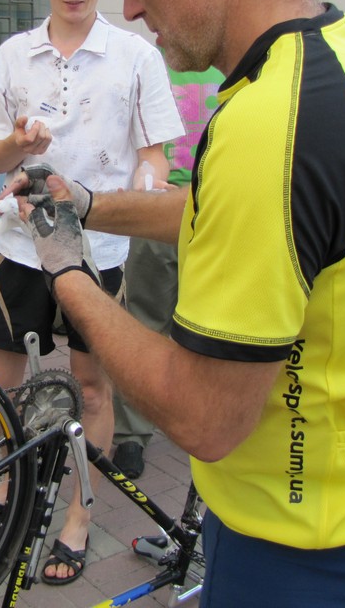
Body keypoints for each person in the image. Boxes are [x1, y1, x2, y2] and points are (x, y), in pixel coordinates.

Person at [6, 0, 345, 606]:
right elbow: (229, 214)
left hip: (304, 547)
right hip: (333, 509)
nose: (129, 7)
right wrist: (88, 204)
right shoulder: (335, 60)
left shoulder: (272, 121)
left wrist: (67, 272)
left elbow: (204, 417)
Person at [0, 0, 184, 584]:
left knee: (92, 386)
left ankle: (79, 516)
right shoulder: (12, 56)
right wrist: (18, 145)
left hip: (99, 246)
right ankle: (7, 482)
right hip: (23, 242)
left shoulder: (136, 57)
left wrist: (147, 186)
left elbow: (154, 155)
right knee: (3, 383)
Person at [112, 69, 222, 480]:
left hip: (218, 211)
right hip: (158, 210)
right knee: (144, 322)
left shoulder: (241, 67)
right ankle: (131, 434)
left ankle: (210, 421)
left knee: (218, 327)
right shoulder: (148, 67)